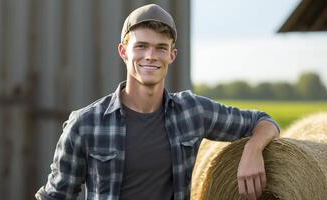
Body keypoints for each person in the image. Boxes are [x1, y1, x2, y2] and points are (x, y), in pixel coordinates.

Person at [35, 4, 280, 200]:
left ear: (172, 55)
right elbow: (55, 195)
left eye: (161, 48)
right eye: (141, 46)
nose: (150, 56)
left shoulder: (192, 112)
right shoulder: (86, 123)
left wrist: (253, 149)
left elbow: (263, 121)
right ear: (123, 51)